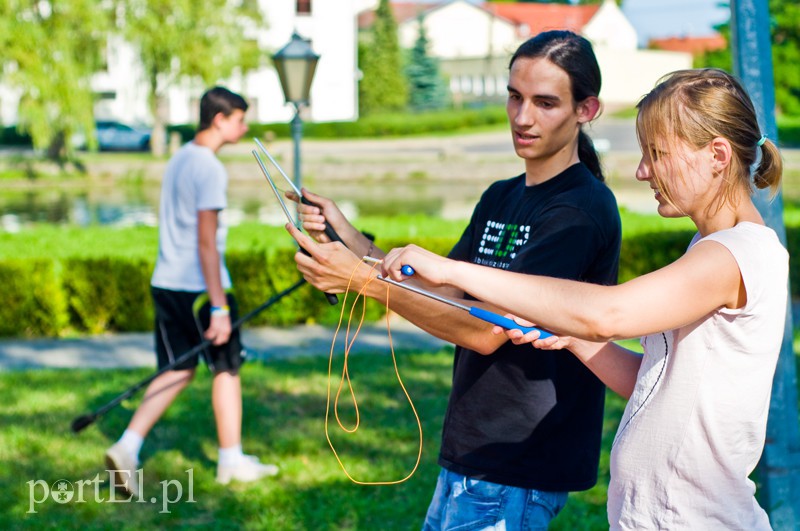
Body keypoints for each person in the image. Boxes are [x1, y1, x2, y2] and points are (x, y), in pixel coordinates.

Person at [379, 68, 788, 530]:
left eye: (657, 154)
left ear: (717, 154)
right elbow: (651, 384)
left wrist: (452, 269)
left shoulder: (736, 255)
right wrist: (574, 339)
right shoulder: (709, 250)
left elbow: (607, 312)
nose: (642, 171)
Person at [287, 31, 621, 529]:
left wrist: (362, 281)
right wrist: (348, 235)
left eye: (545, 103)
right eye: (515, 96)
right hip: (473, 452)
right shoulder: (501, 195)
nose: (522, 117)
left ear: (586, 110)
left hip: (520, 458)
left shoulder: (579, 210)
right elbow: (443, 291)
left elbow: (487, 330)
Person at [105, 86, 278, 495]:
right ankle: (231, 459)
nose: (245, 125)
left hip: (166, 281)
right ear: (219, 120)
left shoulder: (179, 157)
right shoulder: (210, 168)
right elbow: (206, 242)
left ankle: (126, 447)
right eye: (239, 118)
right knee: (227, 368)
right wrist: (219, 307)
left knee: (178, 368)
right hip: (202, 289)